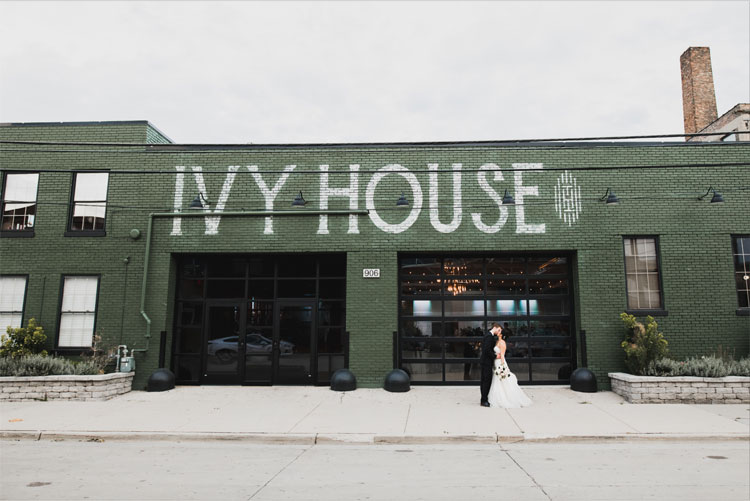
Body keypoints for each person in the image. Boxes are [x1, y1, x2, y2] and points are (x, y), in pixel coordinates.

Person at [488, 329, 532, 408]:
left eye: (499, 331)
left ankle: (505, 398)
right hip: (495, 362)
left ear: (501, 334)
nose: (498, 332)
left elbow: (502, 355)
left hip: (500, 362)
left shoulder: (502, 343)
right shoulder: (497, 341)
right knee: (496, 380)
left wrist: (502, 366)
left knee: (502, 380)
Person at [479, 323, 502, 406]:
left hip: (485, 362)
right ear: (495, 328)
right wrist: (495, 355)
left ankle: (483, 398)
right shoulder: (489, 336)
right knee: (486, 381)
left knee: (484, 381)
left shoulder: (488, 335)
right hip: (486, 362)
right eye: (498, 330)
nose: (499, 332)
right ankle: (484, 400)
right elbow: (487, 350)